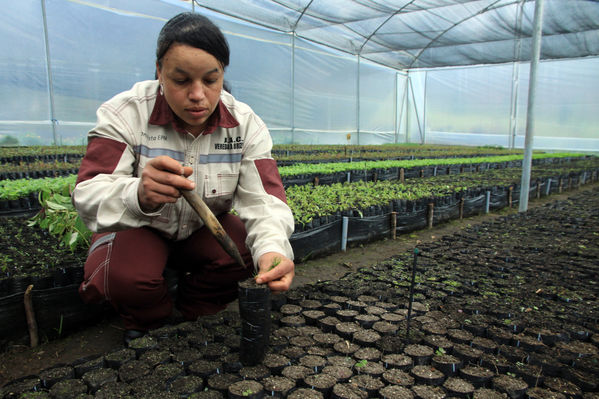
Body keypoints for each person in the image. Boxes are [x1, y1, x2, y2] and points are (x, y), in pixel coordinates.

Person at [72, 12, 295, 344]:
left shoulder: (244, 125)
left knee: (246, 252)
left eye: (210, 80)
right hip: (141, 229)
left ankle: (195, 313)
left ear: (222, 74)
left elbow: (265, 202)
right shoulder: (126, 113)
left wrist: (274, 250)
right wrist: (138, 193)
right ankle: (149, 320)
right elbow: (88, 193)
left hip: (198, 231)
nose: (197, 95)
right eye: (181, 80)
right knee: (124, 278)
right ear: (160, 72)